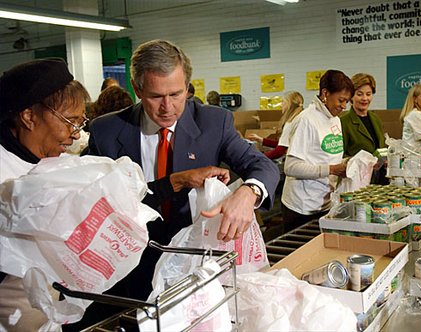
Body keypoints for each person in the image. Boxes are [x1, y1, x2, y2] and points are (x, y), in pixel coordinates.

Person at [69, 39, 280, 328]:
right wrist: (173, 183)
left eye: (176, 94)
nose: (168, 107)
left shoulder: (212, 123)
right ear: (137, 88)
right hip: (130, 265)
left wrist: (248, 192)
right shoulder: (107, 131)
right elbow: (92, 202)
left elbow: (262, 166)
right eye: (156, 96)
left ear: (188, 86)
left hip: (194, 262)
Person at [0, 58, 90, 330]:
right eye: (69, 122)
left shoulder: (50, 162)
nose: (75, 135)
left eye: (80, 122)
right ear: (29, 117)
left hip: (45, 317)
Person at [281, 70, 354, 232]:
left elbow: (326, 157)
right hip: (302, 206)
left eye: (347, 102)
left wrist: (350, 164)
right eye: (341, 100)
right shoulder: (306, 120)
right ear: (325, 93)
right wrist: (332, 169)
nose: (343, 106)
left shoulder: (335, 119)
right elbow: (290, 167)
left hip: (324, 202)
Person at [340, 73, 387, 184]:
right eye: (359, 94)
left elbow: (381, 147)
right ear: (351, 96)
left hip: (380, 177)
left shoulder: (376, 119)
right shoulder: (344, 121)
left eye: (368, 94)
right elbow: (340, 156)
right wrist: (365, 162)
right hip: (358, 180)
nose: (365, 99)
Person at [247, 91, 304, 160]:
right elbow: (283, 144)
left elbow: (280, 150)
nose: (281, 105)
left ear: (289, 104)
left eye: (283, 102)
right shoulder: (301, 118)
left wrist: (259, 158)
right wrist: (261, 140)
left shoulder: (291, 122)